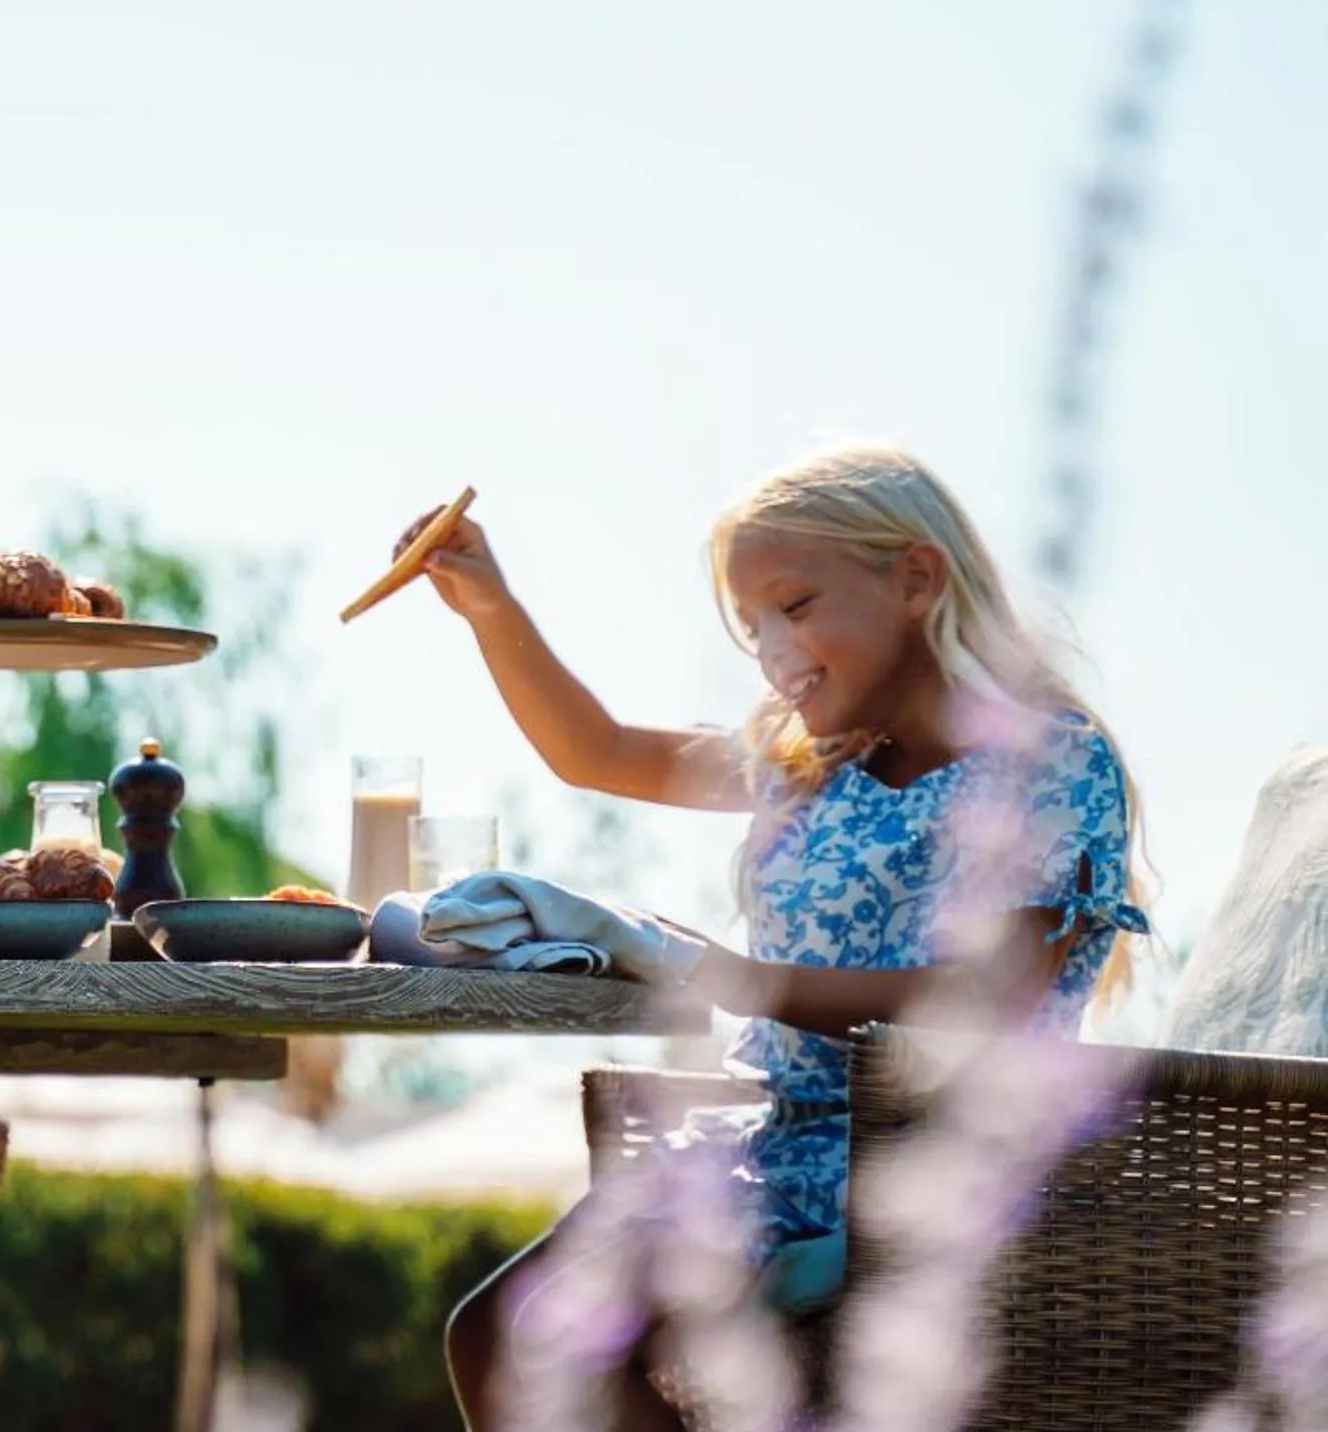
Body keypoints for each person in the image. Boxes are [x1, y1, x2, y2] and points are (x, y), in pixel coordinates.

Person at [399, 443, 1149, 1430]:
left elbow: (988, 994)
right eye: (750, 626)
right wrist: (489, 608)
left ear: (915, 579)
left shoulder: (1046, 759)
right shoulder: (811, 763)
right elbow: (596, 752)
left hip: (940, 1178)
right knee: (500, 1329)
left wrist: (733, 976)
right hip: (767, 1163)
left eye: (794, 607)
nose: (769, 651)